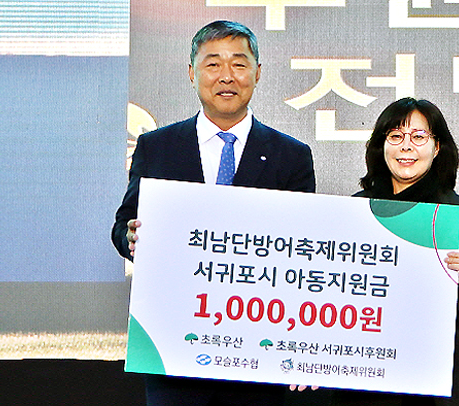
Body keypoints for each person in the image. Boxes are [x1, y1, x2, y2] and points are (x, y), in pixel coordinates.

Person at [111, 20, 318, 406]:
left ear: (257, 73)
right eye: (213, 64)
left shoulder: (291, 155)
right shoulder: (157, 147)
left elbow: (302, 251)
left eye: (239, 64)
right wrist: (132, 237)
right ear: (192, 73)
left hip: (258, 351)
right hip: (174, 346)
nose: (226, 76)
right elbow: (124, 223)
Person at [337, 97, 459, 406]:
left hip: (437, 367)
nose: (406, 146)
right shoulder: (356, 210)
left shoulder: (458, 214)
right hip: (367, 362)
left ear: (437, 147)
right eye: (395, 136)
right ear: (381, 146)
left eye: (419, 136)